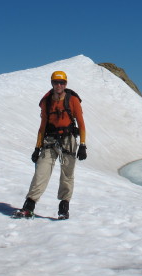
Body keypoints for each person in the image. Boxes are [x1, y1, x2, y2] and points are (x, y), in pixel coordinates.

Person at [13, 70, 87, 219]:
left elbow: (81, 124)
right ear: (52, 83)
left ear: (66, 84)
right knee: (41, 172)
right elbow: (42, 127)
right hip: (50, 140)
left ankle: (63, 208)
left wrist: (83, 145)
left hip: (68, 140)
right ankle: (29, 206)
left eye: (62, 82)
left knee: (67, 175)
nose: (59, 85)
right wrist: (37, 147)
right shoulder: (47, 102)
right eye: (56, 82)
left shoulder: (73, 100)